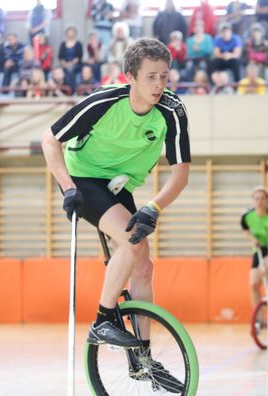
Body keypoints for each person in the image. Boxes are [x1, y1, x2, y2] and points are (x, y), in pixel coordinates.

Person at [41, 38, 191, 352]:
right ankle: (103, 320)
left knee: (144, 266)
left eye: (164, 75)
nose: (159, 84)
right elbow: (50, 139)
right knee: (131, 238)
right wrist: (68, 187)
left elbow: (180, 173)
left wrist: (154, 206)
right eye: (151, 76)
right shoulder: (104, 101)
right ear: (130, 77)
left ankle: (142, 357)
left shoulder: (172, 110)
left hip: (119, 186)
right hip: (82, 177)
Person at [241, 187, 268, 325]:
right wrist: (251, 238)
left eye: (262, 198)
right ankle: (258, 318)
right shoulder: (247, 216)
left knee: (267, 273)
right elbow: (245, 229)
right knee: (253, 283)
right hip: (259, 248)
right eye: (256, 199)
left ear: (267, 201)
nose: (259, 202)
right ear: (253, 201)